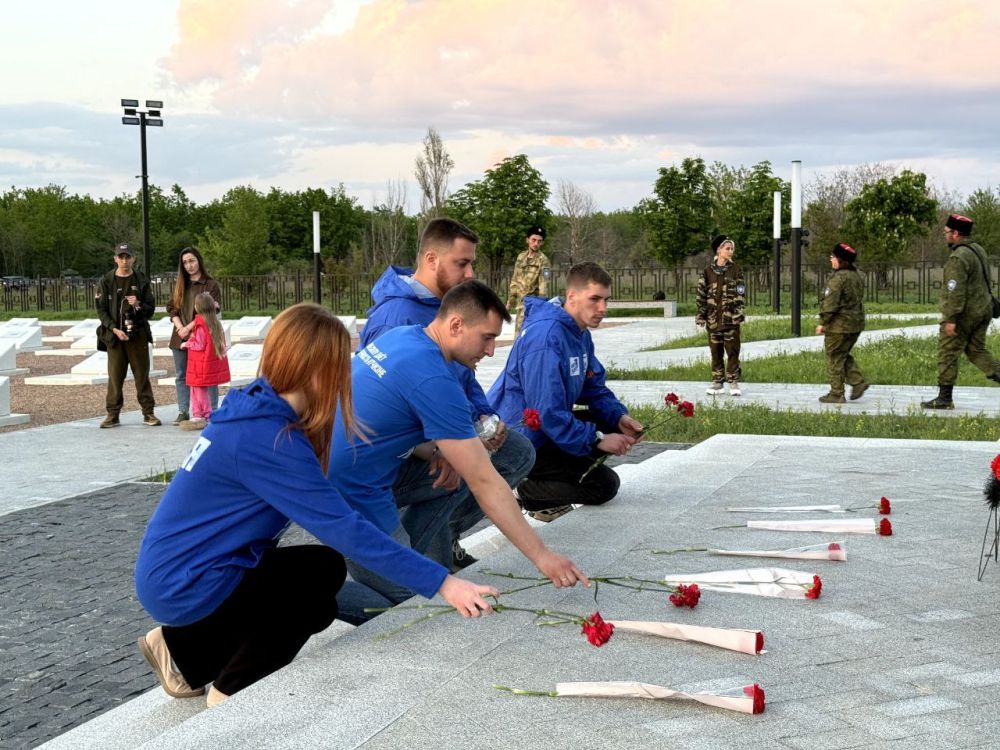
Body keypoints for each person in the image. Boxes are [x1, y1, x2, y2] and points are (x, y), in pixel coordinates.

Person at [135, 304, 498, 707]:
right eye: (341, 363)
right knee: (314, 582)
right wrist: (443, 582)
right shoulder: (270, 440)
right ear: (318, 368)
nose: (347, 375)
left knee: (318, 592)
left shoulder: (260, 410)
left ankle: (180, 651)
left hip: (186, 568)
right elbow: (346, 529)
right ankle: (229, 696)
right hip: (184, 580)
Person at [331, 280, 589, 623]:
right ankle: (303, 591)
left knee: (504, 453)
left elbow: (378, 417)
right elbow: (484, 481)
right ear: (456, 325)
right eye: (487, 337)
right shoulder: (432, 376)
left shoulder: (403, 338)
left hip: (368, 469)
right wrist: (543, 557)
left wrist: (435, 450)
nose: (492, 350)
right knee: (414, 607)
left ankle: (421, 555)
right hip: (348, 496)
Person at [360, 217, 535, 571]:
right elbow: (387, 407)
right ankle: (416, 560)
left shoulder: (451, 309)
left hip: (442, 435)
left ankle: (439, 540)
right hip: (397, 456)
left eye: (472, 262)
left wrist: (485, 417)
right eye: (462, 263)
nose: (470, 273)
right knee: (410, 590)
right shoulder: (396, 318)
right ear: (430, 259)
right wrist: (440, 446)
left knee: (516, 452)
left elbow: (464, 379)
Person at [488, 262, 644, 522]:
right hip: (521, 438)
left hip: (546, 430)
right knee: (603, 485)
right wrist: (595, 439)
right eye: (594, 299)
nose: (602, 309)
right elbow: (545, 412)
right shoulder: (546, 338)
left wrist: (619, 418)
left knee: (613, 426)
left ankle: (555, 475)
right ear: (572, 296)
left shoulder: (578, 333)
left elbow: (593, 388)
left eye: (606, 300)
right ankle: (521, 488)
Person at [922, 213, 1000, 409]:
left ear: (956, 233)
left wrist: (951, 318)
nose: (944, 234)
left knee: (947, 352)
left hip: (965, 314)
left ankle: (944, 399)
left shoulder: (958, 257)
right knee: (976, 350)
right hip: (984, 309)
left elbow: (954, 290)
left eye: (947, 231)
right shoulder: (978, 250)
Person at [95, 243, 160, 428]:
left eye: (127, 256)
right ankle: (112, 415)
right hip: (115, 337)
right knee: (115, 377)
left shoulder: (141, 280)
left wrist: (137, 304)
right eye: (121, 256)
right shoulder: (106, 281)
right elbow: (101, 311)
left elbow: (150, 310)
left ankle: (148, 413)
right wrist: (114, 329)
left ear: (133, 258)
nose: (124, 260)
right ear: (115, 258)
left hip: (137, 335)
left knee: (142, 375)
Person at [167, 247, 222, 425]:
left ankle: (212, 410)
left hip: (203, 337)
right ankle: (183, 410)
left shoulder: (210, 284)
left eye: (191, 261)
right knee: (182, 374)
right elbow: (172, 308)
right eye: (185, 262)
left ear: (199, 260)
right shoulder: (181, 284)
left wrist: (189, 327)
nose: (189, 265)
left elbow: (211, 310)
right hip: (180, 336)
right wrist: (180, 328)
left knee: (207, 374)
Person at [816, 243, 868, 403]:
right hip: (856, 323)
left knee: (835, 357)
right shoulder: (858, 275)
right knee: (842, 353)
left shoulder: (838, 279)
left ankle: (836, 393)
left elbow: (831, 303)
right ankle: (858, 382)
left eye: (833, 257)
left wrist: (823, 322)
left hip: (839, 325)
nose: (830, 260)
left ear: (841, 260)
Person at [695, 235, 746, 397]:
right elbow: (701, 295)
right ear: (719, 250)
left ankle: (733, 381)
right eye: (727, 248)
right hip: (713, 320)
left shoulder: (736, 270)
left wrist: (738, 314)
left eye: (731, 249)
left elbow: (741, 293)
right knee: (715, 351)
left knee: (732, 350)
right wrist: (701, 316)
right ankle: (717, 381)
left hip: (731, 319)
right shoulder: (708, 272)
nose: (730, 251)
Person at [179, 293, 231, 431]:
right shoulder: (213, 323)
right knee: (195, 389)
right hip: (201, 364)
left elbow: (200, 345)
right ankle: (197, 414)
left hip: (199, 364)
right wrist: (192, 338)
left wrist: (187, 344)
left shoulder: (201, 325)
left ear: (198, 307)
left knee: (199, 391)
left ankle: (206, 415)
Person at [506, 226, 551, 336]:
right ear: (527, 240)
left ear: (542, 243)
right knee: (518, 339)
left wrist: (540, 309)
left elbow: (544, 286)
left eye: (539, 241)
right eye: (533, 240)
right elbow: (515, 281)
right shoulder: (521, 257)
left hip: (532, 307)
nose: (536, 243)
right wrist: (509, 304)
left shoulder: (544, 261)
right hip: (520, 306)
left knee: (527, 339)